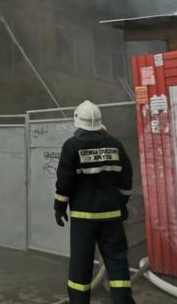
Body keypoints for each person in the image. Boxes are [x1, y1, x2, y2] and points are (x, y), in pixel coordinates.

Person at [54, 100, 136, 304]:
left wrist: (60, 206)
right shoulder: (115, 144)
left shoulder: (72, 145)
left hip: (84, 218)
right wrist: (122, 203)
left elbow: (65, 181)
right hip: (112, 217)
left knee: (81, 266)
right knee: (117, 263)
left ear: (77, 121)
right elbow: (126, 177)